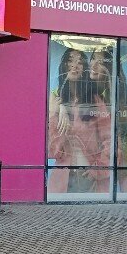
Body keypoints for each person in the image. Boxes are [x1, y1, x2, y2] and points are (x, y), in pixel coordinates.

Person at [47, 47, 106, 193]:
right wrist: (56, 111)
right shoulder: (55, 100)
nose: (74, 65)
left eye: (79, 62)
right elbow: (52, 151)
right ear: (64, 65)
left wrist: (98, 169)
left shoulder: (95, 101)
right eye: (70, 61)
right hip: (61, 178)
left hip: (88, 178)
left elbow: (110, 139)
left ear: (85, 68)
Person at [90, 48, 127, 193]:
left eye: (101, 62)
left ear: (110, 69)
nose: (94, 65)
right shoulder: (89, 94)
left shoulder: (118, 98)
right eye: (93, 58)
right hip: (102, 159)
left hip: (124, 158)